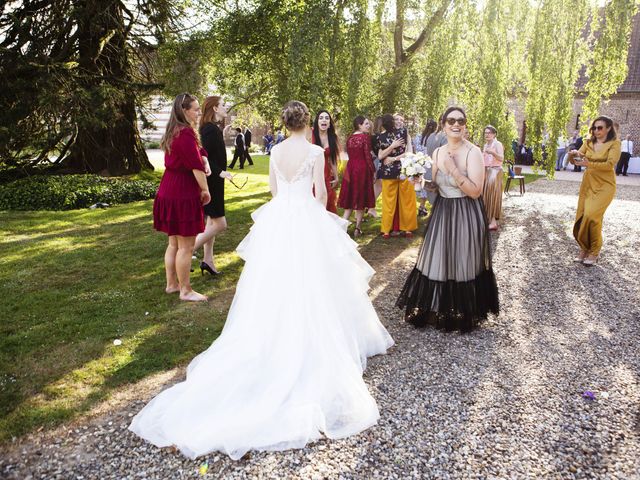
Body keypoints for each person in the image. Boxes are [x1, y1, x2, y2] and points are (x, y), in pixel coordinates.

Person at [129, 100, 394, 461]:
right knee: (315, 279)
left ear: (285, 124)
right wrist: (314, 223)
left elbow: (272, 190)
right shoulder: (316, 151)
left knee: (271, 280)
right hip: (304, 217)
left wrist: (288, 207)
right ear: (305, 123)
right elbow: (320, 193)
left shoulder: (278, 150)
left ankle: (274, 325)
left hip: (279, 218)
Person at [396, 106, 499, 332]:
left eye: (460, 121)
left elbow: (475, 191)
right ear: (443, 124)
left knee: (463, 260)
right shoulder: (438, 152)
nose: (456, 124)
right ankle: (437, 307)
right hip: (443, 212)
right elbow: (435, 186)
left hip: (465, 212)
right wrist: (419, 182)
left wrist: (453, 170)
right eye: (451, 120)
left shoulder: (473, 153)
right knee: (438, 258)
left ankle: (463, 310)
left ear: (465, 125)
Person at [152, 93, 211, 302]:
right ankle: (185, 290)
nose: (199, 112)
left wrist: (205, 158)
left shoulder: (175, 131)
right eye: (195, 109)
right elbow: (195, 167)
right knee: (185, 246)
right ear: (184, 111)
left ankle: (171, 285)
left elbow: (198, 152)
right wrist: (205, 190)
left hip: (169, 189)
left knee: (174, 244)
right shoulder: (185, 133)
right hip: (181, 191)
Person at [569, 115, 621, 265]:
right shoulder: (588, 142)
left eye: (600, 128)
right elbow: (577, 161)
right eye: (594, 128)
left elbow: (609, 165)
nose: (596, 131)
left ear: (609, 128)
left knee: (592, 215)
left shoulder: (614, 144)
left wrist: (588, 163)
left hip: (605, 184)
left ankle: (594, 250)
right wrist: (573, 155)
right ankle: (584, 249)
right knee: (583, 215)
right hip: (588, 183)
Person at [193, 96, 234, 276]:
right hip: (212, 182)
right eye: (223, 105)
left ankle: (208, 261)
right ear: (215, 109)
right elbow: (205, 158)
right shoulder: (209, 129)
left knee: (211, 222)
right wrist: (221, 172)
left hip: (215, 181)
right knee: (220, 224)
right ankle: (188, 249)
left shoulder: (212, 128)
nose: (226, 107)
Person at [376, 114, 417, 238]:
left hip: (398, 170)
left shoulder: (381, 136)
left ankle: (387, 230)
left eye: (401, 120)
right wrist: (392, 146)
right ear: (392, 121)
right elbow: (380, 156)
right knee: (405, 200)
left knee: (393, 201)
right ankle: (405, 228)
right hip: (402, 170)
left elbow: (409, 153)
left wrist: (393, 158)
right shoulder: (401, 133)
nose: (399, 122)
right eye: (396, 119)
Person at [338, 116, 376, 237]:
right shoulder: (364, 138)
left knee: (350, 198)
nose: (368, 125)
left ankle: (342, 227)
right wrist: (373, 171)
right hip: (362, 169)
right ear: (359, 125)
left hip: (350, 168)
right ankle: (357, 228)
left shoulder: (350, 138)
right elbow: (368, 157)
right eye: (366, 124)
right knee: (360, 198)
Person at [312, 110, 340, 213]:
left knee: (327, 202)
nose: (324, 120)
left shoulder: (333, 137)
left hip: (326, 174)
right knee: (314, 202)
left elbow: (333, 159)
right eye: (321, 118)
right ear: (317, 122)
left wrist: (336, 177)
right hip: (312, 172)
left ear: (329, 123)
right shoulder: (311, 135)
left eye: (327, 118)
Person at [413, 119, 438, 216]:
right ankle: (432, 207)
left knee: (422, 187)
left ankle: (422, 206)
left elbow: (415, 149)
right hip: (430, 164)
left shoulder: (419, 137)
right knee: (431, 186)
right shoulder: (434, 138)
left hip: (420, 164)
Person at [482, 125, 504, 231]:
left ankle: (493, 222)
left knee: (492, 196)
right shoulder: (485, 145)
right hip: (487, 171)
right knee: (485, 195)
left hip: (495, 171)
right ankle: (487, 219)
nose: (487, 135)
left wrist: (493, 153)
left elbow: (501, 158)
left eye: (489, 133)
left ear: (494, 134)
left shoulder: (497, 144)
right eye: (485, 133)